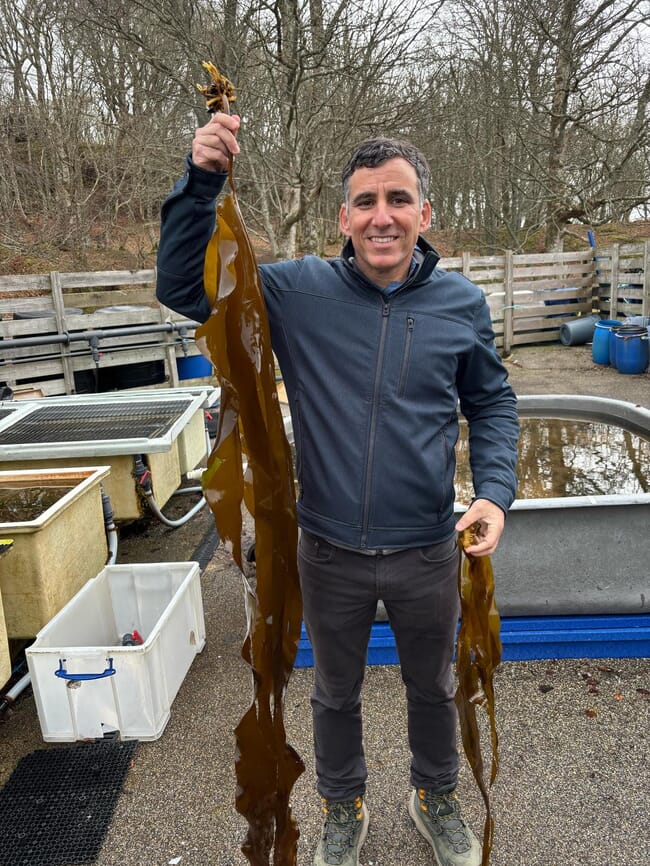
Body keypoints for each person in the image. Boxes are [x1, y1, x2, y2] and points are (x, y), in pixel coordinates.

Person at [156, 111, 519, 866]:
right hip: (326, 551)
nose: (381, 216)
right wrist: (201, 183)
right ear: (343, 217)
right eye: (365, 202)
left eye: (397, 199)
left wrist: (494, 491)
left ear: (424, 213)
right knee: (333, 694)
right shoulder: (296, 293)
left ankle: (436, 796)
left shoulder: (461, 306)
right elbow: (183, 289)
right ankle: (341, 804)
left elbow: (492, 402)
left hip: (427, 548)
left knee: (432, 687)